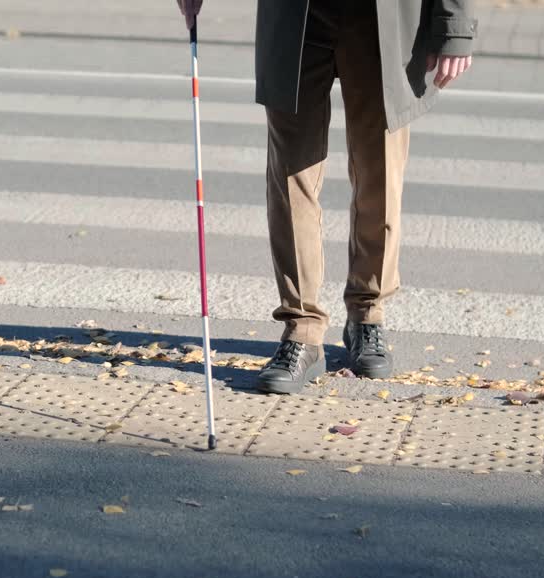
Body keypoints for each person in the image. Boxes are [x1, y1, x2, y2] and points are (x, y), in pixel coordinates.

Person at [176, 0, 476, 394]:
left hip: (383, 17)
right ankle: (302, 330)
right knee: (291, 177)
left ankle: (368, 314)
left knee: (379, 172)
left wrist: (454, 26)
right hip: (296, 13)